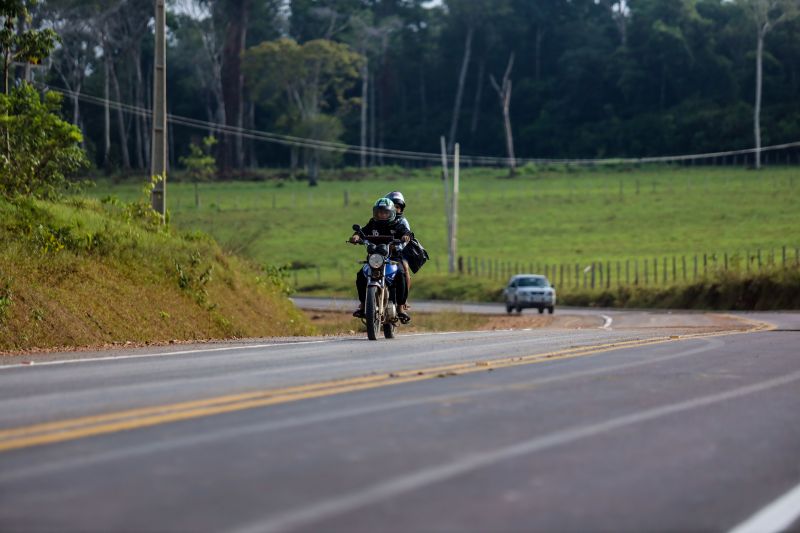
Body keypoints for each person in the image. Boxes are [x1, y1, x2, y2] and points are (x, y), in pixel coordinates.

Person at [350, 197, 412, 322]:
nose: (382, 215)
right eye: (379, 212)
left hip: (393, 257)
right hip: (375, 258)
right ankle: (363, 305)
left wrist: (406, 236)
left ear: (391, 213)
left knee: (400, 274)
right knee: (361, 275)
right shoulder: (372, 223)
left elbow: (407, 233)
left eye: (385, 212)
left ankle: (400, 307)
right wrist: (356, 237)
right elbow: (362, 232)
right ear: (375, 212)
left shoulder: (397, 224)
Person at [385, 191, 413, 305]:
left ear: (401, 209)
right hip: (382, 253)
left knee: (405, 269)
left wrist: (403, 239)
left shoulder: (402, 221)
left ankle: (403, 300)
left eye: (398, 207)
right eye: (393, 206)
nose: (396, 209)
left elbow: (407, 235)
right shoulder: (380, 219)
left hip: (398, 252)